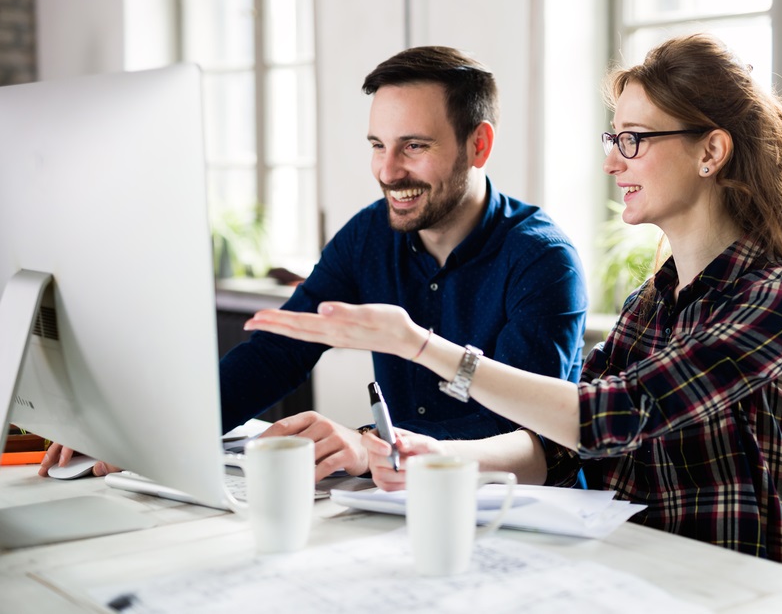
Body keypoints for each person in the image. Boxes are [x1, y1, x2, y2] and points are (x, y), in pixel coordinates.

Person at [243, 33, 782, 575]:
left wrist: (420, 346)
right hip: (631, 570)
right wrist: (416, 455)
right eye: (614, 137)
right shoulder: (652, 304)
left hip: (734, 588)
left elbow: (616, 415)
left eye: (633, 138)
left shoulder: (778, 302)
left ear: (710, 152)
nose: (612, 160)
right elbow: (561, 448)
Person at [39, 46, 588, 481]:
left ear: (478, 145)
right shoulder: (369, 235)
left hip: (522, 516)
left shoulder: (543, 260)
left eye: (413, 146)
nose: (388, 171)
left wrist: (368, 445)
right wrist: (148, 430)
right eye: (377, 144)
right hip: (396, 502)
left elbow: (522, 430)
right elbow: (278, 352)